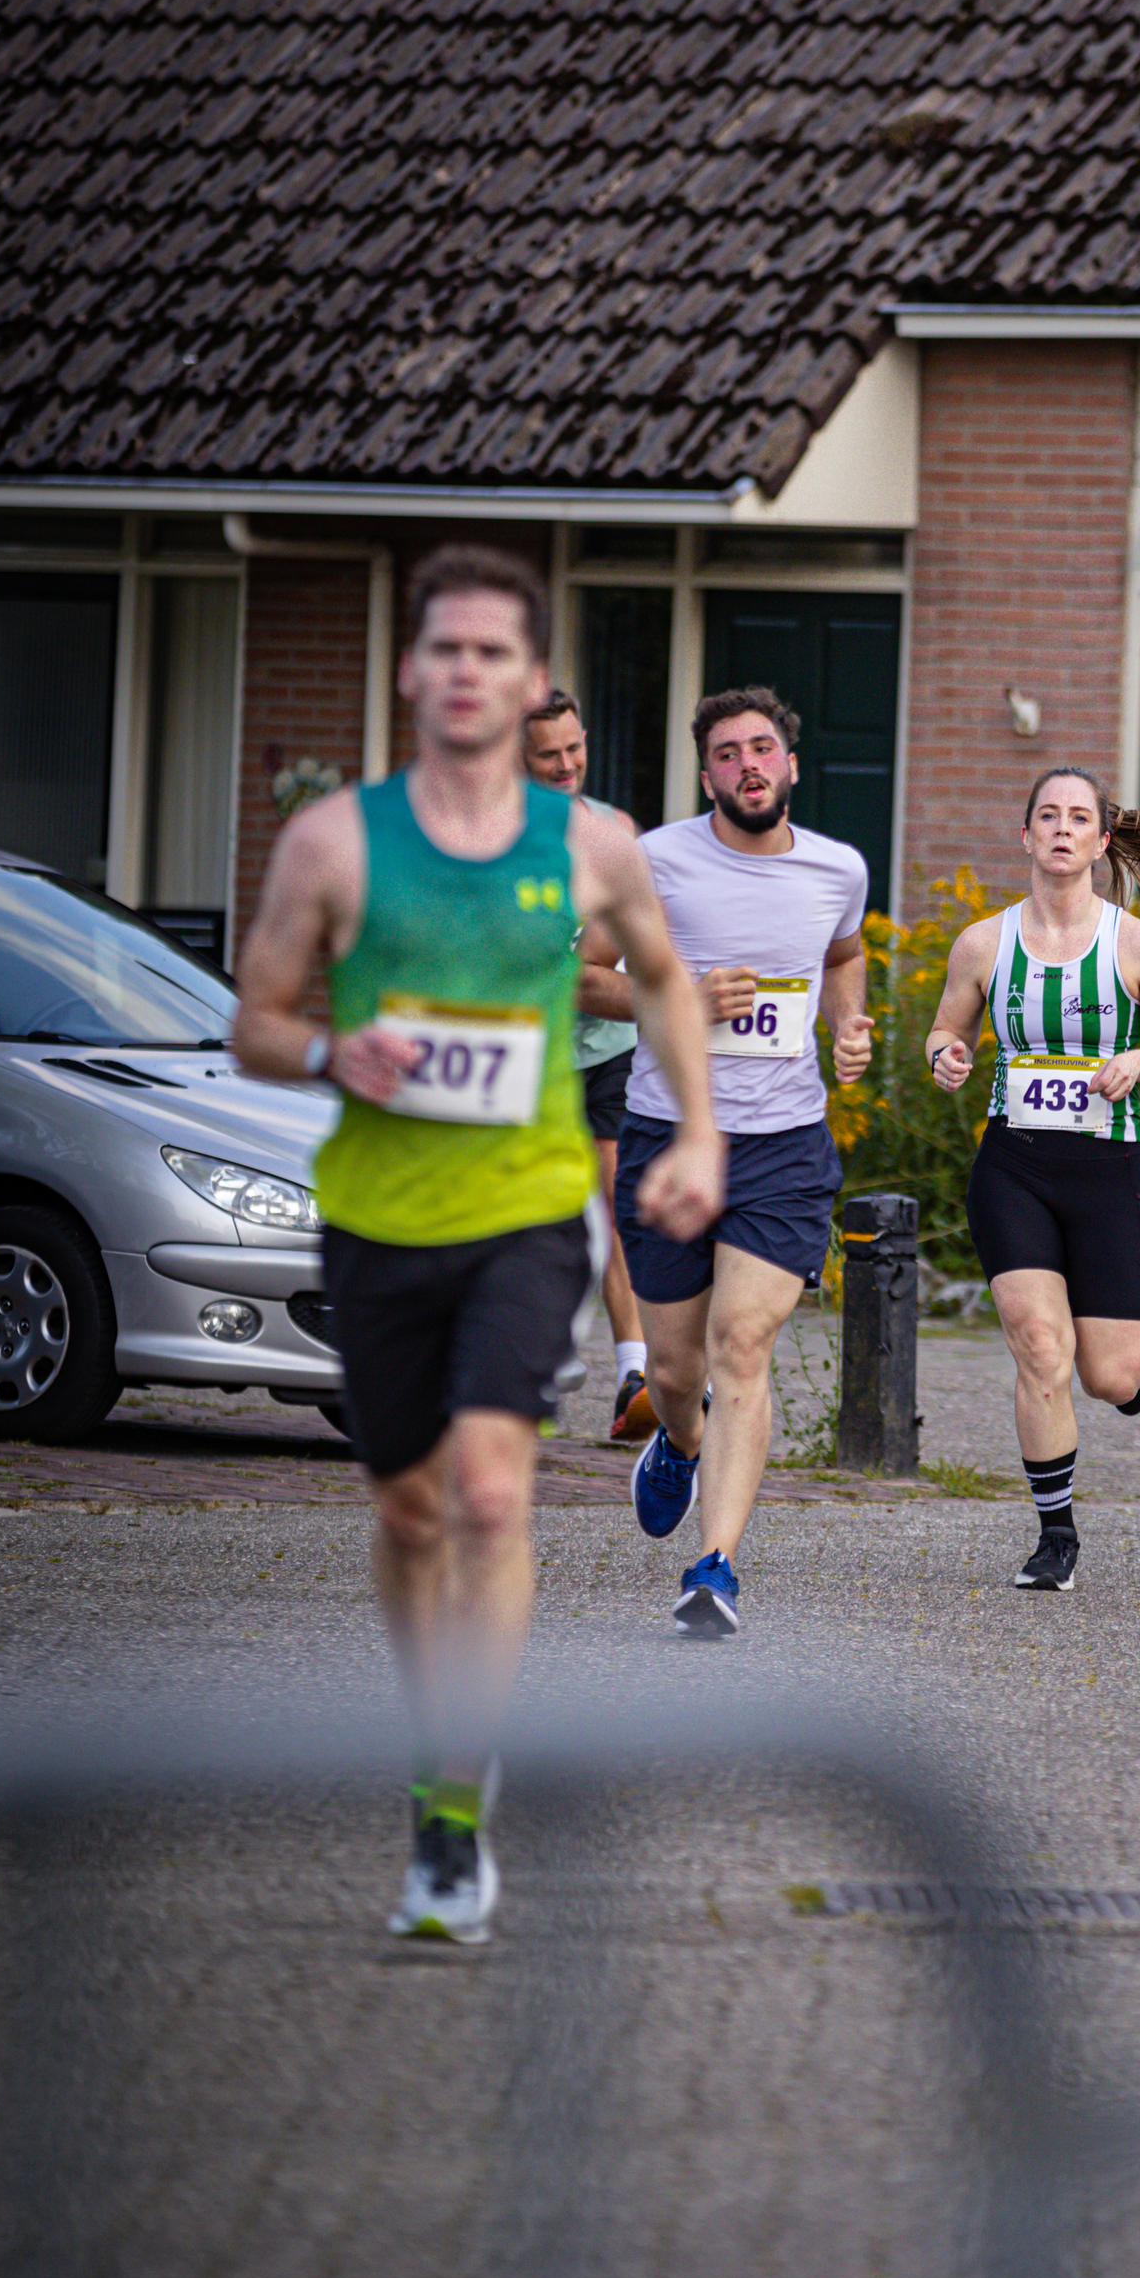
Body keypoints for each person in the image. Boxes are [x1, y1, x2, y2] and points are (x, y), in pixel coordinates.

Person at [232, 543, 724, 1944]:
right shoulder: (334, 839)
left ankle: (453, 1809)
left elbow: (669, 985)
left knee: (496, 1499)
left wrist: (697, 1136)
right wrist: (334, 1045)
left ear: (525, 681)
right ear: (413, 668)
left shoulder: (587, 843)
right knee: (409, 1513)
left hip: (525, 1213)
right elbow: (254, 1018)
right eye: (444, 649)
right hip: (378, 1219)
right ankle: (432, 1733)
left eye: (494, 654)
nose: (467, 673)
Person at [597, 685, 873, 1639]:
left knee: (743, 1346)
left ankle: (715, 1567)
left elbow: (840, 958)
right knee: (678, 1371)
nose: (747, 765)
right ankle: (678, 1439)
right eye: (726, 753)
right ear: (706, 771)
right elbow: (587, 973)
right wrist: (673, 997)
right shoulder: (657, 860)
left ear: (791, 764)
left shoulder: (839, 869)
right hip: (667, 1135)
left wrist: (851, 1026)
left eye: (762, 748)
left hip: (785, 1146)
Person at [923, 768, 1140, 1592]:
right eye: (1047, 816)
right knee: (1039, 1347)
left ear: (1099, 841)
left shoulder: (1134, 944)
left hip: (1105, 1170)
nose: (1061, 828)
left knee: (1109, 1376)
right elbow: (947, 1030)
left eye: (1078, 817)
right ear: (1025, 838)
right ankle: (1055, 1535)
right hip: (1013, 1163)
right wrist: (946, 1056)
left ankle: (1137, 1366)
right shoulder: (984, 943)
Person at [520, 687, 658, 1444]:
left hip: (604, 1044)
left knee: (614, 1202)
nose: (569, 763)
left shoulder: (613, 830)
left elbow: (611, 942)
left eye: (575, 747)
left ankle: (633, 1378)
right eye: (550, 754)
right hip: (523, 1053)